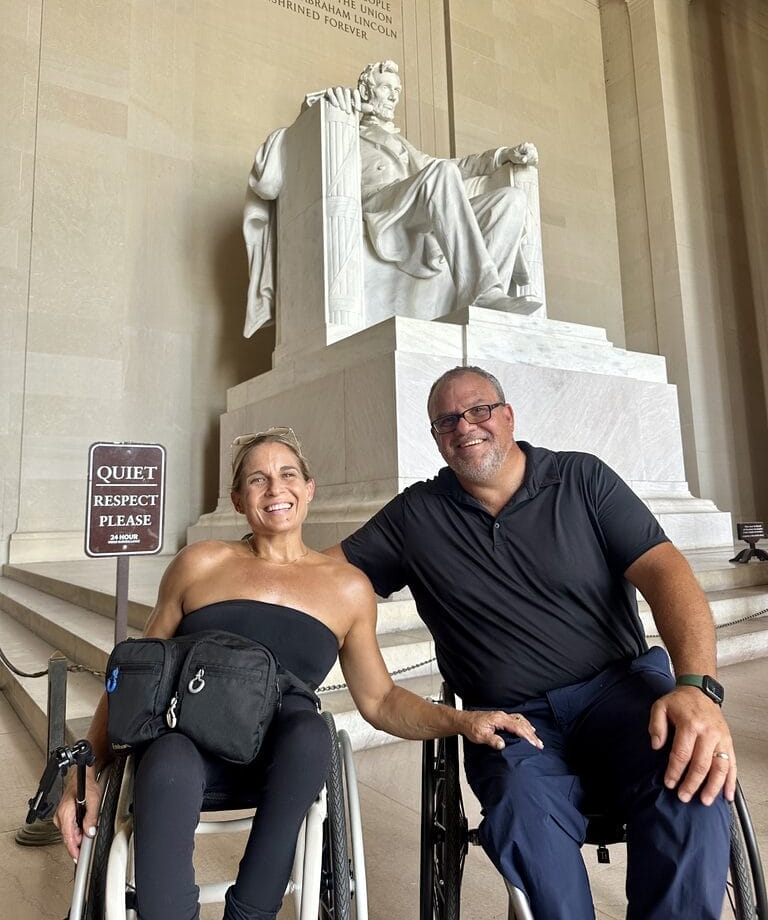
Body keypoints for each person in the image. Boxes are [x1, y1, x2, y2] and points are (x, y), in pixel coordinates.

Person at [54, 427, 542, 920]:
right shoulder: (200, 564)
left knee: (311, 731)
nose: (275, 489)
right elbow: (138, 674)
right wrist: (85, 769)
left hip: (284, 755)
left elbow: (380, 701)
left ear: (309, 488)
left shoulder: (347, 588)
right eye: (257, 479)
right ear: (238, 499)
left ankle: (251, 912)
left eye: (288, 475)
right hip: (188, 740)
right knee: (167, 761)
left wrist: (463, 720)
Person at [325, 366, 735, 920]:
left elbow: (668, 573)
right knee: (520, 807)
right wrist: (234, 567)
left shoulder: (582, 479)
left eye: (478, 410)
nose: (464, 426)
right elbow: (324, 576)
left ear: (508, 415)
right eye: (446, 420)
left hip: (621, 694)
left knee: (693, 778)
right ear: (436, 438)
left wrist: (697, 688)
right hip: (512, 720)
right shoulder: (416, 516)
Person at [329, 60, 541, 315]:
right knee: (442, 173)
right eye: (386, 88)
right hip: (378, 205)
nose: (394, 98)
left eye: (397, 92)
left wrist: (503, 155)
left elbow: (457, 166)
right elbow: (312, 123)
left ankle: (484, 309)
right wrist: (336, 103)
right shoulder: (345, 125)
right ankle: (483, 292)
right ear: (365, 91)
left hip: (413, 202)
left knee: (512, 200)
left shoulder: (404, 145)